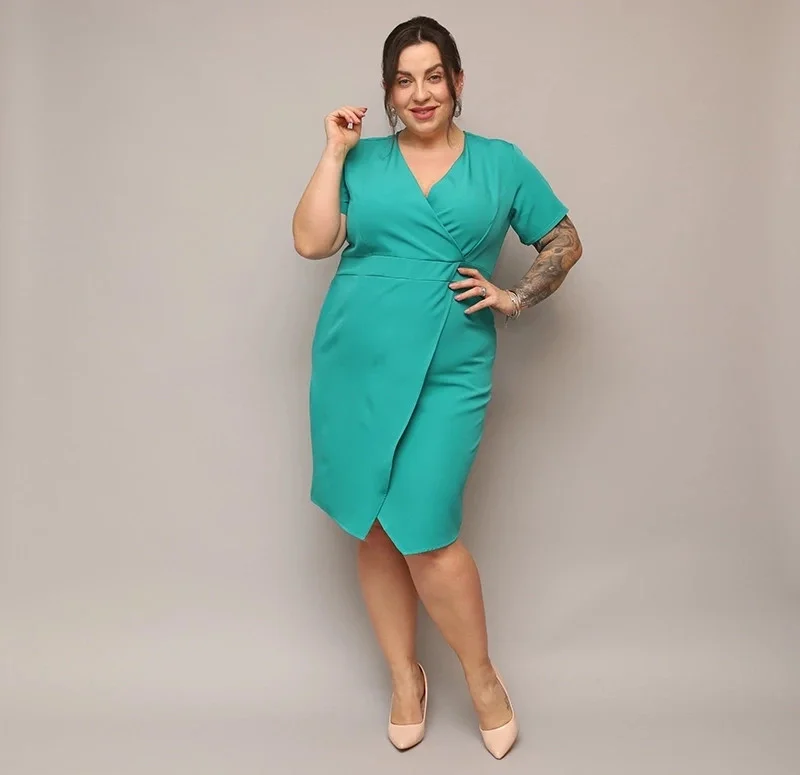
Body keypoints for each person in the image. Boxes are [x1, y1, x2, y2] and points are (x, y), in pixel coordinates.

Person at [292, 15, 583, 759]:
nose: (420, 93)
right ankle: (404, 677)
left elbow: (562, 240)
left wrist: (515, 296)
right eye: (403, 80)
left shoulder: (501, 162)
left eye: (432, 76)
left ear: (457, 82)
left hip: (451, 367)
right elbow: (312, 241)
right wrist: (334, 151)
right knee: (373, 519)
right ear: (388, 93)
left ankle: (481, 677)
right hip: (356, 362)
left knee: (425, 525)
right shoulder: (362, 160)